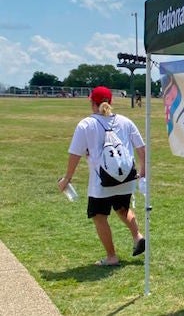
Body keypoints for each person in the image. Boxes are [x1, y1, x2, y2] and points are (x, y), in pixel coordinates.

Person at [58, 86, 147, 267]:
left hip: (101, 182)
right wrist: (143, 169)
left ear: (92, 102)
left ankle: (111, 256)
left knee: (99, 216)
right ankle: (138, 236)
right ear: (110, 102)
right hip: (125, 177)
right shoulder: (125, 121)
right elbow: (141, 148)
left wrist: (67, 178)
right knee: (123, 208)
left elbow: (75, 154)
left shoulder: (86, 124)